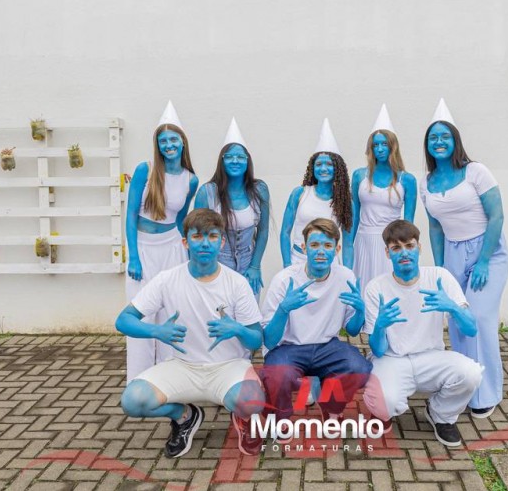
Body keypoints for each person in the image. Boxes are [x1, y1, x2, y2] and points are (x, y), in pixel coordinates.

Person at [115, 209, 266, 457]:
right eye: (197, 236)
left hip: (228, 367)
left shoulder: (237, 283)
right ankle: (185, 416)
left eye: (212, 236)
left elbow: (256, 339)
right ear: (185, 242)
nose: (205, 243)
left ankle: (244, 419)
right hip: (183, 367)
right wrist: (156, 331)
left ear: (222, 242)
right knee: (133, 401)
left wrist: (237, 329)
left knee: (252, 401)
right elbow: (123, 320)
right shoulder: (167, 279)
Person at [419, 98, 508, 419]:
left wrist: (483, 261)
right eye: (433, 138)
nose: (439, 142)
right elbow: (434, 227)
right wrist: (441, 268)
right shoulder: (426, 183)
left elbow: (497, 216)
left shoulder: (476, 172)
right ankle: (464, 384)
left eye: (445, 136)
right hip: (453, 252)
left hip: (487, 251)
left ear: (455, 141)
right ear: (428, 145)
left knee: (480, 318)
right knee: (458, 320)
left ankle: (487, 393)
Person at [362, 219, 482, 447]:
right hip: (391, 358)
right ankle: (381, 412)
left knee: (471, 373)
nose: (404, 253)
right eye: (396, 248)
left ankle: (441, 414)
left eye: (409, 245)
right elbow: (377, 350)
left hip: (431, 356)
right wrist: (380, 326)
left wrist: (453, 308)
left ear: (419, 247)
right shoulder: (376, 287)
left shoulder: (439, 277)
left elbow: (471, 329)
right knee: (384, 403)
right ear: (387, 253)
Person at [261, 218, 371, 425]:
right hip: (288, 347)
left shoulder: (345, 276)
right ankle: (280, 417)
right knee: (277, 376)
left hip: (326, 346)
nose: (321, 251)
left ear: (337, 249)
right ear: (304, 248)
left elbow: (352, 330)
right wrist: (284, 309)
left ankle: (330, 405)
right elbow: (269, 340)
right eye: (314, 244)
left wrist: (360, 311)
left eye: (328, 245)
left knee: (360, 369)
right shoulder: (284, 280)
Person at [124, 100, 199, 381]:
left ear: (182, 142)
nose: (169, 145)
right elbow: (131, 215)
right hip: (143, 248)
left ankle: (168, 378)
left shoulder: (191, 180)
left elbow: (181, 220)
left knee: (170, 310)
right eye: (163, 141)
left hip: (172, 248)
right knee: (141, 312)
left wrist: (188, 254)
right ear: (158, 145)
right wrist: (133, 256)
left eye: (173, 139)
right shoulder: (145, 170)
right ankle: (140, 379)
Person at [194, 118, 270, 297]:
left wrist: (255, 266)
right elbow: (195, 234)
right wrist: (199, 270)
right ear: (221, 161)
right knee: (218, 308)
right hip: (215, 262)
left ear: (247, 161)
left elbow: (263, 230)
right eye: (229, 157)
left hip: (248, 263)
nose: (235, 161)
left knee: (248, 309)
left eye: (240, 157)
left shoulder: (259, 189)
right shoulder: (207, 192)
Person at [346, 105, 417, 290]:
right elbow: (354, 215)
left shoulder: (407, 179)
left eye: (384, 144)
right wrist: (348, 247)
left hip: (392, 242)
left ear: (393, 146)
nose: (379, 149)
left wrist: (406, 251)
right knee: (363, 287)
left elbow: (408, 223)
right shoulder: (359, 176)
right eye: (375, 145)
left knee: (390, 288)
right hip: (364, 241)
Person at [280, 119, 353, 268]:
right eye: (319, 164)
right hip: (298, 260)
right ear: (312, 168)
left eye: (329, 164)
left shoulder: (345, 202)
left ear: (338, 169)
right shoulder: (300, 193)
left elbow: (348, 244)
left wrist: (348, 273)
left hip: (330, 264)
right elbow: (285, 232)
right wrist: (287, 264)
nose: (323, 168)